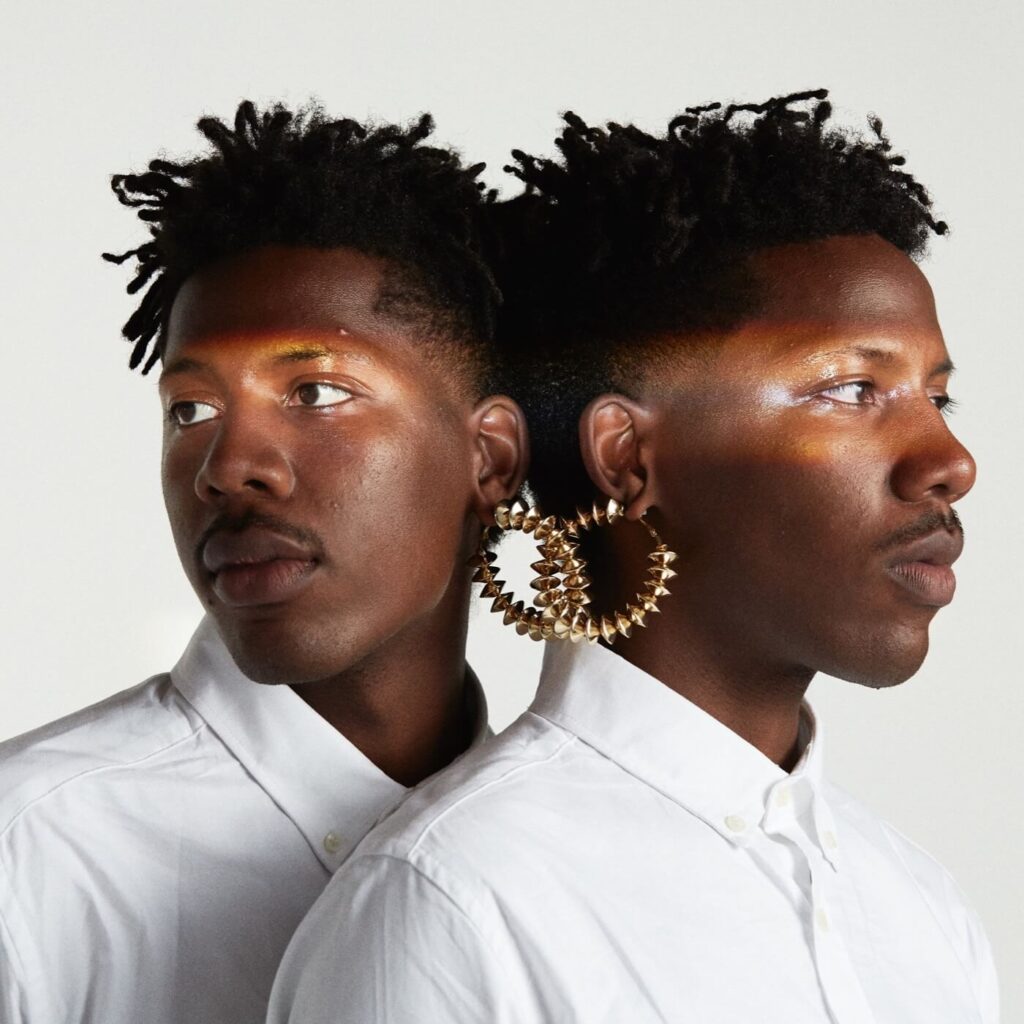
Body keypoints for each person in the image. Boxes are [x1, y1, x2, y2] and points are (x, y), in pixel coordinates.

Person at [269, 91, 999, 1023]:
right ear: (627, 456)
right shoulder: (451, 905)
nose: (950, 461)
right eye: (853, 389)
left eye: (939, 398)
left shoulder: (921, 912)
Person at [0, 101, 527, 1024]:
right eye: (191, 410)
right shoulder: (32, 849)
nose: (226, 465)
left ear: (489, 461)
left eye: (315, 392)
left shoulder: (556, 844)